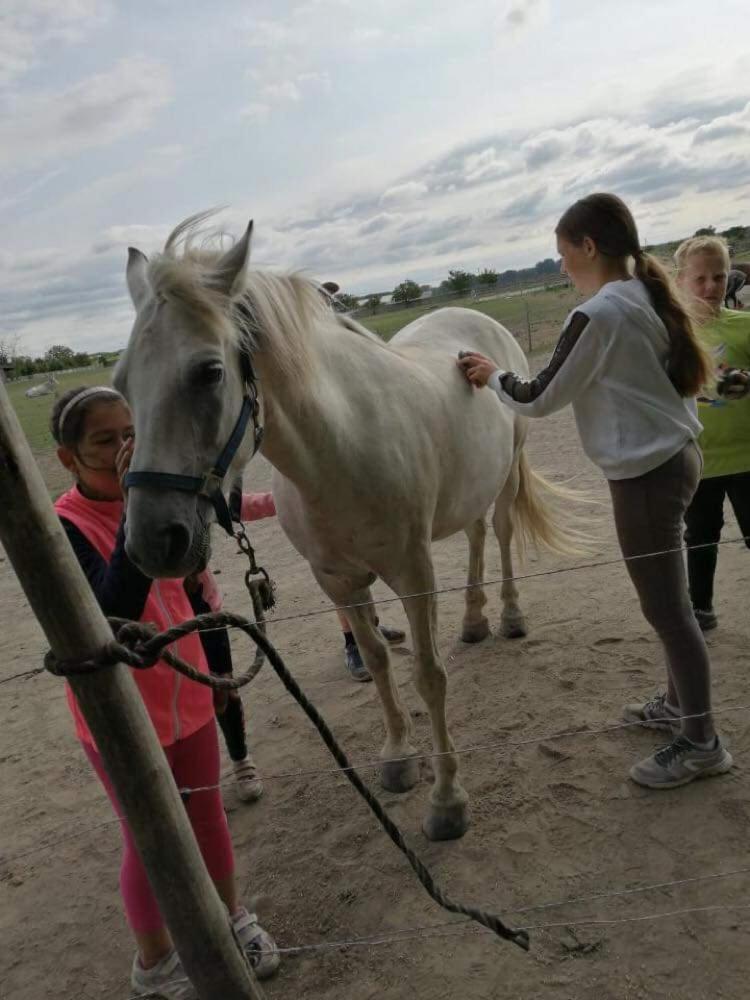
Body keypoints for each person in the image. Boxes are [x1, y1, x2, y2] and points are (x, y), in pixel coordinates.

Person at [457, 192, 733, 790]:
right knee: (672, 604)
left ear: (588, 247)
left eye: (562, 254)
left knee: (668, 611)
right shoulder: (643, 295)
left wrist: (490, 374)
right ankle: (677, 707)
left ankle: (702, 742)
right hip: (673, 460)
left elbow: (539, 396)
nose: (560, 266)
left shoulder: (599, 314)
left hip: (646, 476)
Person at [51, 385, 279, 999]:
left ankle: (232, 919)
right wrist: (134, 507)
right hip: (122, 717)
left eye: (132, 432)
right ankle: (153, 965)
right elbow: (114, 608)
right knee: (149, 836)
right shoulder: (61, 529)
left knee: (206, 814)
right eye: (105, 439)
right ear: (68, 458)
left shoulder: (161, 498)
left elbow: (196, 596)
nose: (125, 447)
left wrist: (219, 679)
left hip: (190, 696)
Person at [674, 236, 750, 631]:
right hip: (699, 459)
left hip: (747, 457)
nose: (710, 287)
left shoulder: (745, 325)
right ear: (681, 280)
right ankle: (700, 608)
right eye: (700, 278)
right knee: (701, 537)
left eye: (719, 277)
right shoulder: (671, 336)